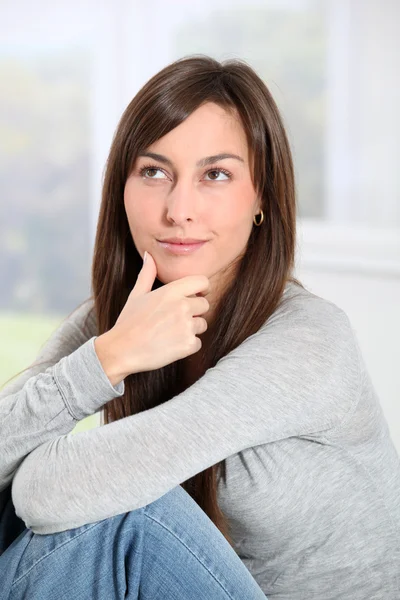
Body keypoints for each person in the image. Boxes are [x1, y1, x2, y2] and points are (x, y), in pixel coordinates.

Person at [0, 54, 399, 600]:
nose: (179, 208)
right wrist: (106, 358)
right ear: (122, 189)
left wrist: (40, 459)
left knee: (126, 514)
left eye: (215, 175)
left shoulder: (309, 340)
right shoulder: (118, 320)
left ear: (261, 195)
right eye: (154, 172)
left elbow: (50, 491)